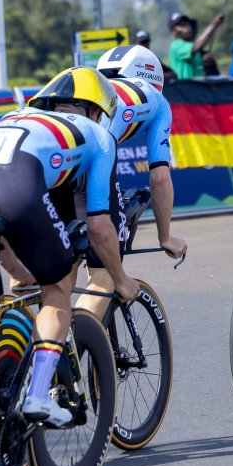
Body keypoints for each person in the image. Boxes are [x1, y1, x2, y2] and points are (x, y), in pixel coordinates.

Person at [0, 66, 139, 426]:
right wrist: (121, 280)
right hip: (17, 187)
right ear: (94, 110)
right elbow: (99, 227)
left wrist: (18, 267)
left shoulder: (16, 115)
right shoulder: (98, 135)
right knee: (56, 290)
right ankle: (38, 396)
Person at [75, 46, 187, 317]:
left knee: (62, 273)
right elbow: (159, 177)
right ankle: (71, 347)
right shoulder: (157, 101)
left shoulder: (92, 85)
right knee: (107, 276)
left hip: (57, 156)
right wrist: (165, 237)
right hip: (91, 157)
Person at [168, 12, 225, 80]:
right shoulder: (176, 45)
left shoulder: (193, 47)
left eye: (186, 23)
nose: (186, 27)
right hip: (184, 88)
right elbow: (197, 46)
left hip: (198, 88)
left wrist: (206, 64)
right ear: (173, 31)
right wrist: (213, 25)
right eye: (181, 25)